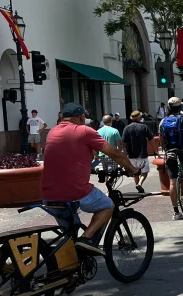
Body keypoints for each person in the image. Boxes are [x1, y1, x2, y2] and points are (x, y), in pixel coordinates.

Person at [43, 103, 140, 255]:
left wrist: (91, 169)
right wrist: (132, 169)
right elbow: (114, 153)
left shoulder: (52, 132)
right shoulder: (84, 131)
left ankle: (70, 271)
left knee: (69, 235)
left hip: (49, 194)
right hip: (75, 192)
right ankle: (87, 239)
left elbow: (67, 158)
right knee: (108, 205)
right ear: (81, 117)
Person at [122, 111, 153, 193]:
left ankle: (138, 186)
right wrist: (155, 151)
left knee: (135, 172)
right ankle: (139, 184)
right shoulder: (144, 127)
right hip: (142, 153)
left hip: (131, 154)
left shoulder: (127, 128)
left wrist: (125, 153)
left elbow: (124, 143)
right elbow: (151, 139)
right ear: (139, 118)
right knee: (144, 172)